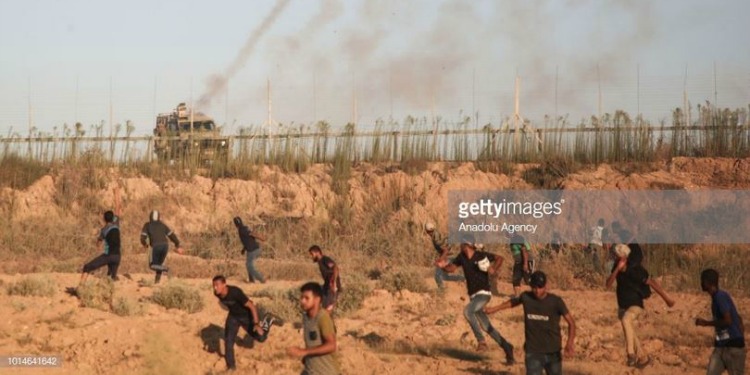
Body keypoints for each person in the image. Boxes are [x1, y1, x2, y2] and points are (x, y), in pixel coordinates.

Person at [436, 236, 515, 363]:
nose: (460, 245)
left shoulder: (481, 255)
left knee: (468, 311)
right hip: (474, 296)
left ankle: (481, 341)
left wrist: (493, 269)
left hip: (483, 293)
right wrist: (442, 266)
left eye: (462, 243)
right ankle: (507, 346)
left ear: (466, 245)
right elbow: (451, 269)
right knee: (486, 326)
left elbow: (500, 258)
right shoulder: (461, 257)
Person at [485, 271, 576, 375]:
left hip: (553, 352)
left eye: (540, 287)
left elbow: (571, 323)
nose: (537, 291)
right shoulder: (526, 297)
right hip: (533, 352)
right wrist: (494, 309)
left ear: (546, 286)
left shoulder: (556, 302)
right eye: (534, 287)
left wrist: (570, 342)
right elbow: (512, 303)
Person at [606, 244, 675, 368]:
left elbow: (652, 283)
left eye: (617, 256)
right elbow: (608, 284)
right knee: (630, 332)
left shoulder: (636, 271)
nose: (615, 258)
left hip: (635, 305)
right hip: (622, 306)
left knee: (626, 320)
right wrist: (617, 270)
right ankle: (643, 358)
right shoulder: (616, 267)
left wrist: (667, 299)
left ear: (624, 257)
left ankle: (631, 355)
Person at [212, 275, 280, 371]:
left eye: (217, 285)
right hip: (233, 317)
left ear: (224, 284)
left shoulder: (235, 292)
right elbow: (225, 304)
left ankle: (268, 320)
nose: (215, 288)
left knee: (261, 337)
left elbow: (252, 306)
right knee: (228, 340)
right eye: (213, 285)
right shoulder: (217, 293)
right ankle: (231, 367)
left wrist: (256, 323)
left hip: (246, 316)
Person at [695, 268, 746, 375]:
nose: (701, 284)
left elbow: (728, 320)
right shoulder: (718, 297)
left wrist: (706, 323)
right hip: (721, 346)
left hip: (732, 348)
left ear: (707, 282)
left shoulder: (720, 297)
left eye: (702, 281)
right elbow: (738, 317)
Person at [287, 282, 341, 375]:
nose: (302, 301)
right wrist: (306, 358)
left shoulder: (322, 318)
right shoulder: (306, 317)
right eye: (301, 298)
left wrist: (304, 352)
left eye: (306, 298)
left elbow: (331, 345)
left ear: (317, 299)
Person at [77, 187, 122, 289]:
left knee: (87, 267)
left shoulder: (104, 230)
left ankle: (80, 288)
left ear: (104, 219)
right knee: (110, 278)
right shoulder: (117, 224)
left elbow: (98, 243)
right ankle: (108, 296)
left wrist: (96, 242)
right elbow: (118, 208)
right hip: (118, 257)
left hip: (108, 256)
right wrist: (117, 193)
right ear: (113, 218)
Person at [141, 210, 183, 284]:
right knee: (159, 265)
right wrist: (177, 245)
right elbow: (171, 235)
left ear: (150, 216)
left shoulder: (147, 225)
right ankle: (157, 282)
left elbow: (142, 237)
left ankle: (167, 269)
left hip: (155, 246)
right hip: (165, 246)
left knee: (152, 265)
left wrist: (145, 245)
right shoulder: (162, 225)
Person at [425, 222, 465, 290]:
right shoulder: (436, 234)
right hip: (450, 255)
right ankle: (463, 279)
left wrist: (440, 260)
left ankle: (442, 290)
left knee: (437, 275)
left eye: (430, 231)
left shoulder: (436, 238)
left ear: (427, 231)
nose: (430, 233)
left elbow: (446, 250)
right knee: (445, 276)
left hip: (449, 256)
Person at [309, 245, 342, 314]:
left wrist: (334, 283)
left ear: (317, 252)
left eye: (312, 254)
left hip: (332, 286)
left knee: (327, 309)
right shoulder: (320, 262)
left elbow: (335, 268)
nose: (311, 256)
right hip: (327, 286)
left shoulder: (325, 259)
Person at [233, 217, 266, 284]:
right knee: (249, 264)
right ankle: (251, 280)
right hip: (255, 249)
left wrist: (261, 238)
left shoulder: (242, 230)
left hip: (252, 250)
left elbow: (252, 234)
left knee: (249, 265)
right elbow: (247, 240)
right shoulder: (244, 228)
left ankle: (261, 279)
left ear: (235, 225)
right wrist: (244, 249)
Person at [505, 231, 533, 297]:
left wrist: (525, 264)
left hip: (526, 261)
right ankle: (517, 296)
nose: (506, 234)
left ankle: (537, 294)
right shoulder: (512, 240)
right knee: (515, 279)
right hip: (518, 262)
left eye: (507, 233)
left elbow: (524, 251)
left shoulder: (518, 239)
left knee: (528, 279)